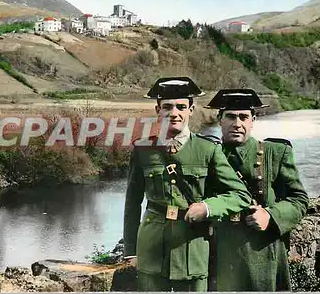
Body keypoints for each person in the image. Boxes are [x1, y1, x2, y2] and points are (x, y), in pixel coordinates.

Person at [122, 77, 252, 292]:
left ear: (191, 110)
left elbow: (241, 195)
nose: (174, 113)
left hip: (192, 249)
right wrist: (131, 251)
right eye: (167, 107)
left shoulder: (207, 150)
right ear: (158, 110)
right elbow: (132, 203)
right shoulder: (143, 149)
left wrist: (207, 207)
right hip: (151, 250)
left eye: (181, 107)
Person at [204, 88, 309, 291]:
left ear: (253, 120)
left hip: (263, 256)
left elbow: (299, 199)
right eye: (231, 117)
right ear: (220, 120)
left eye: (244, 117)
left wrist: (270, 215)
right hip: (218, 255)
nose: (237, 124)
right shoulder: (205, 154)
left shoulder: (275, 153)